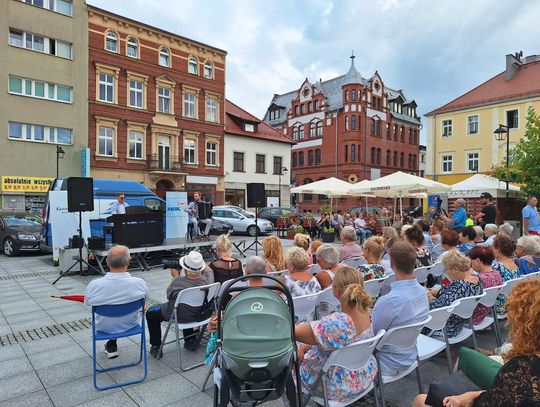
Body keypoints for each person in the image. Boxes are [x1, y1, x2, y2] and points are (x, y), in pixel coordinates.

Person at [413, 279, 540, 407]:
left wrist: (469, 398)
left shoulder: (521, 367)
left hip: (451, 329)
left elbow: (495, 400)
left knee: (420, 400)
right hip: (465, 326)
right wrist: (472, 395)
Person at [295, 266, 377, 403]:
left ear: (336, 291)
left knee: (290, 359)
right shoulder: (366, 313)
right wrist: (305, 346)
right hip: (361, 377)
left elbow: (295, 333)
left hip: (333, 385)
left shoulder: (337, 324)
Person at [372, 239, 429, 375]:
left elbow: (372, 336)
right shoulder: (423, 291)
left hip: (384, 361)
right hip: (410, 355)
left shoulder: (389, 301)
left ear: (391, 264)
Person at [146, 251, 214, 356]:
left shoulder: (177, 283)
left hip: (178, 316)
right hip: (199, 314)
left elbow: (169, 296)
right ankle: (190, 340)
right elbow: (208, 270)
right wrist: (196, 261)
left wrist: (175, 276)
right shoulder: (208, 278)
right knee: (186, 306)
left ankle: (156, 346)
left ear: (186, 270)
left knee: (151, 313)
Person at [85, 245, 148, 359]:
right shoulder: (140, 283)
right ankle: (111, 344)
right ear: (128, 262)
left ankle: (111, 344)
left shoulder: (95, 285)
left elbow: (87, 302)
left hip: (103, 327)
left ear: (108, 262)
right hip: (131, 324)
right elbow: (145, 299)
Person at [427, 250, 483, 338]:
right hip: (458, 325)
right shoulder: (477, 280)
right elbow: (453, 296)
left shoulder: (459, 286)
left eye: (448, 269)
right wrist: (439, 292)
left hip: (444, 328)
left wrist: (427, 294)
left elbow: (435, 307)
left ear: (456, 269)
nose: (448, 273)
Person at [468, 246, 503, 326]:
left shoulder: (478, 279)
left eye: (471, 261)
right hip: (486, 311)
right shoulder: (497, 274)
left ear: (478, 260)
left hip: (472, 316)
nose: (470, 263)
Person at [492, 235, 520, 314]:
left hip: (499, 305)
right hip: (512, 302)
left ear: (498, 249)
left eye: (493, 248)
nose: (491, 250)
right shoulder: (514, 263)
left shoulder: (497, 266)